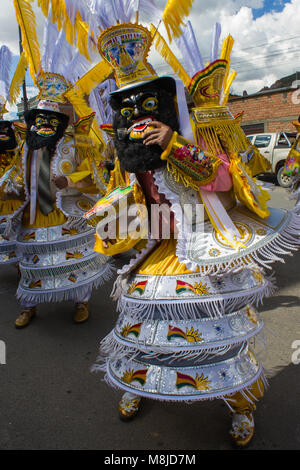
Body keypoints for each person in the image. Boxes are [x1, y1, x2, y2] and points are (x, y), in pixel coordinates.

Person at [12, 6, 114, 328]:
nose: (44, 126)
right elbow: (17, 174)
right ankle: (30, 305)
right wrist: (15, 186)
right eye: (39, 121)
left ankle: (81, 302)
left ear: (59, 123)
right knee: (33, 263)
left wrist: (67, 179)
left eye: (50, 122)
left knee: (74, 262)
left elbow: (95, 176)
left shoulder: (75, 143)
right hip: (32, 213)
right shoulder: (25, 147)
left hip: (65, 211)